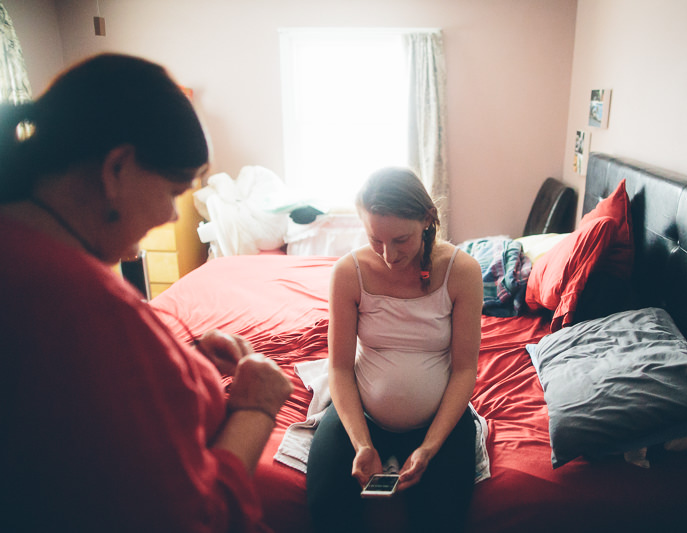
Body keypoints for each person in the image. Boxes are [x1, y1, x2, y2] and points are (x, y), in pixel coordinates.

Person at [0, 54, 293, 532]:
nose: (174, 216)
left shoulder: (23, 250)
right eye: (174, 191)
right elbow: (194, 519)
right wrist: (257, 407)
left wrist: (185, 360)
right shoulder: (80, 305)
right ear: (117, 169)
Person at [306, 167, 484, 532]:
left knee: (442, 517)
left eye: (401, 240)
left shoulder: (462, 271)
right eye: (376, 240)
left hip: (439, 421)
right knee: (325, 504)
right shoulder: (348, 273)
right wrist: (362, 444)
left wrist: (429, 447)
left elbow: (465, 369)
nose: (389, 255)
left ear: (427, 219)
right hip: (362, 415)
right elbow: (339, 368)